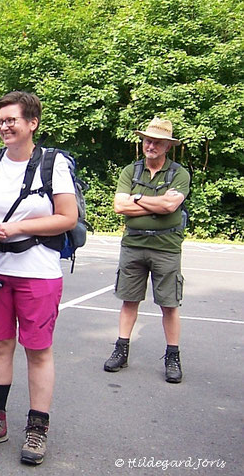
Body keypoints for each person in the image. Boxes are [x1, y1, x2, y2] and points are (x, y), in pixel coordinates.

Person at [0, 91, 77, 465]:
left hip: (37, 274)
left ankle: (37, 427)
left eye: (12, 119)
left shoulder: (52, 163)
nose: (4, 126)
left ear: (33, 123)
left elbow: (66, 217)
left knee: (38, 350)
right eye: (0, 120)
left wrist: (13, 229)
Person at [104, 117, 190, 384]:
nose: (151, 145)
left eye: (157, 142)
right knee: (129, 300)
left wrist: (137, 198)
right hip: (133, 245)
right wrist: (157, 201)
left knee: (169, 304)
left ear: (167, 146)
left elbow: (170, 207)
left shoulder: (180, 174)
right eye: (148, 140)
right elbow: (120, 206)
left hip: (166, 248)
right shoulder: (131, 171)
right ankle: (121, 350)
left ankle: (172, 357)